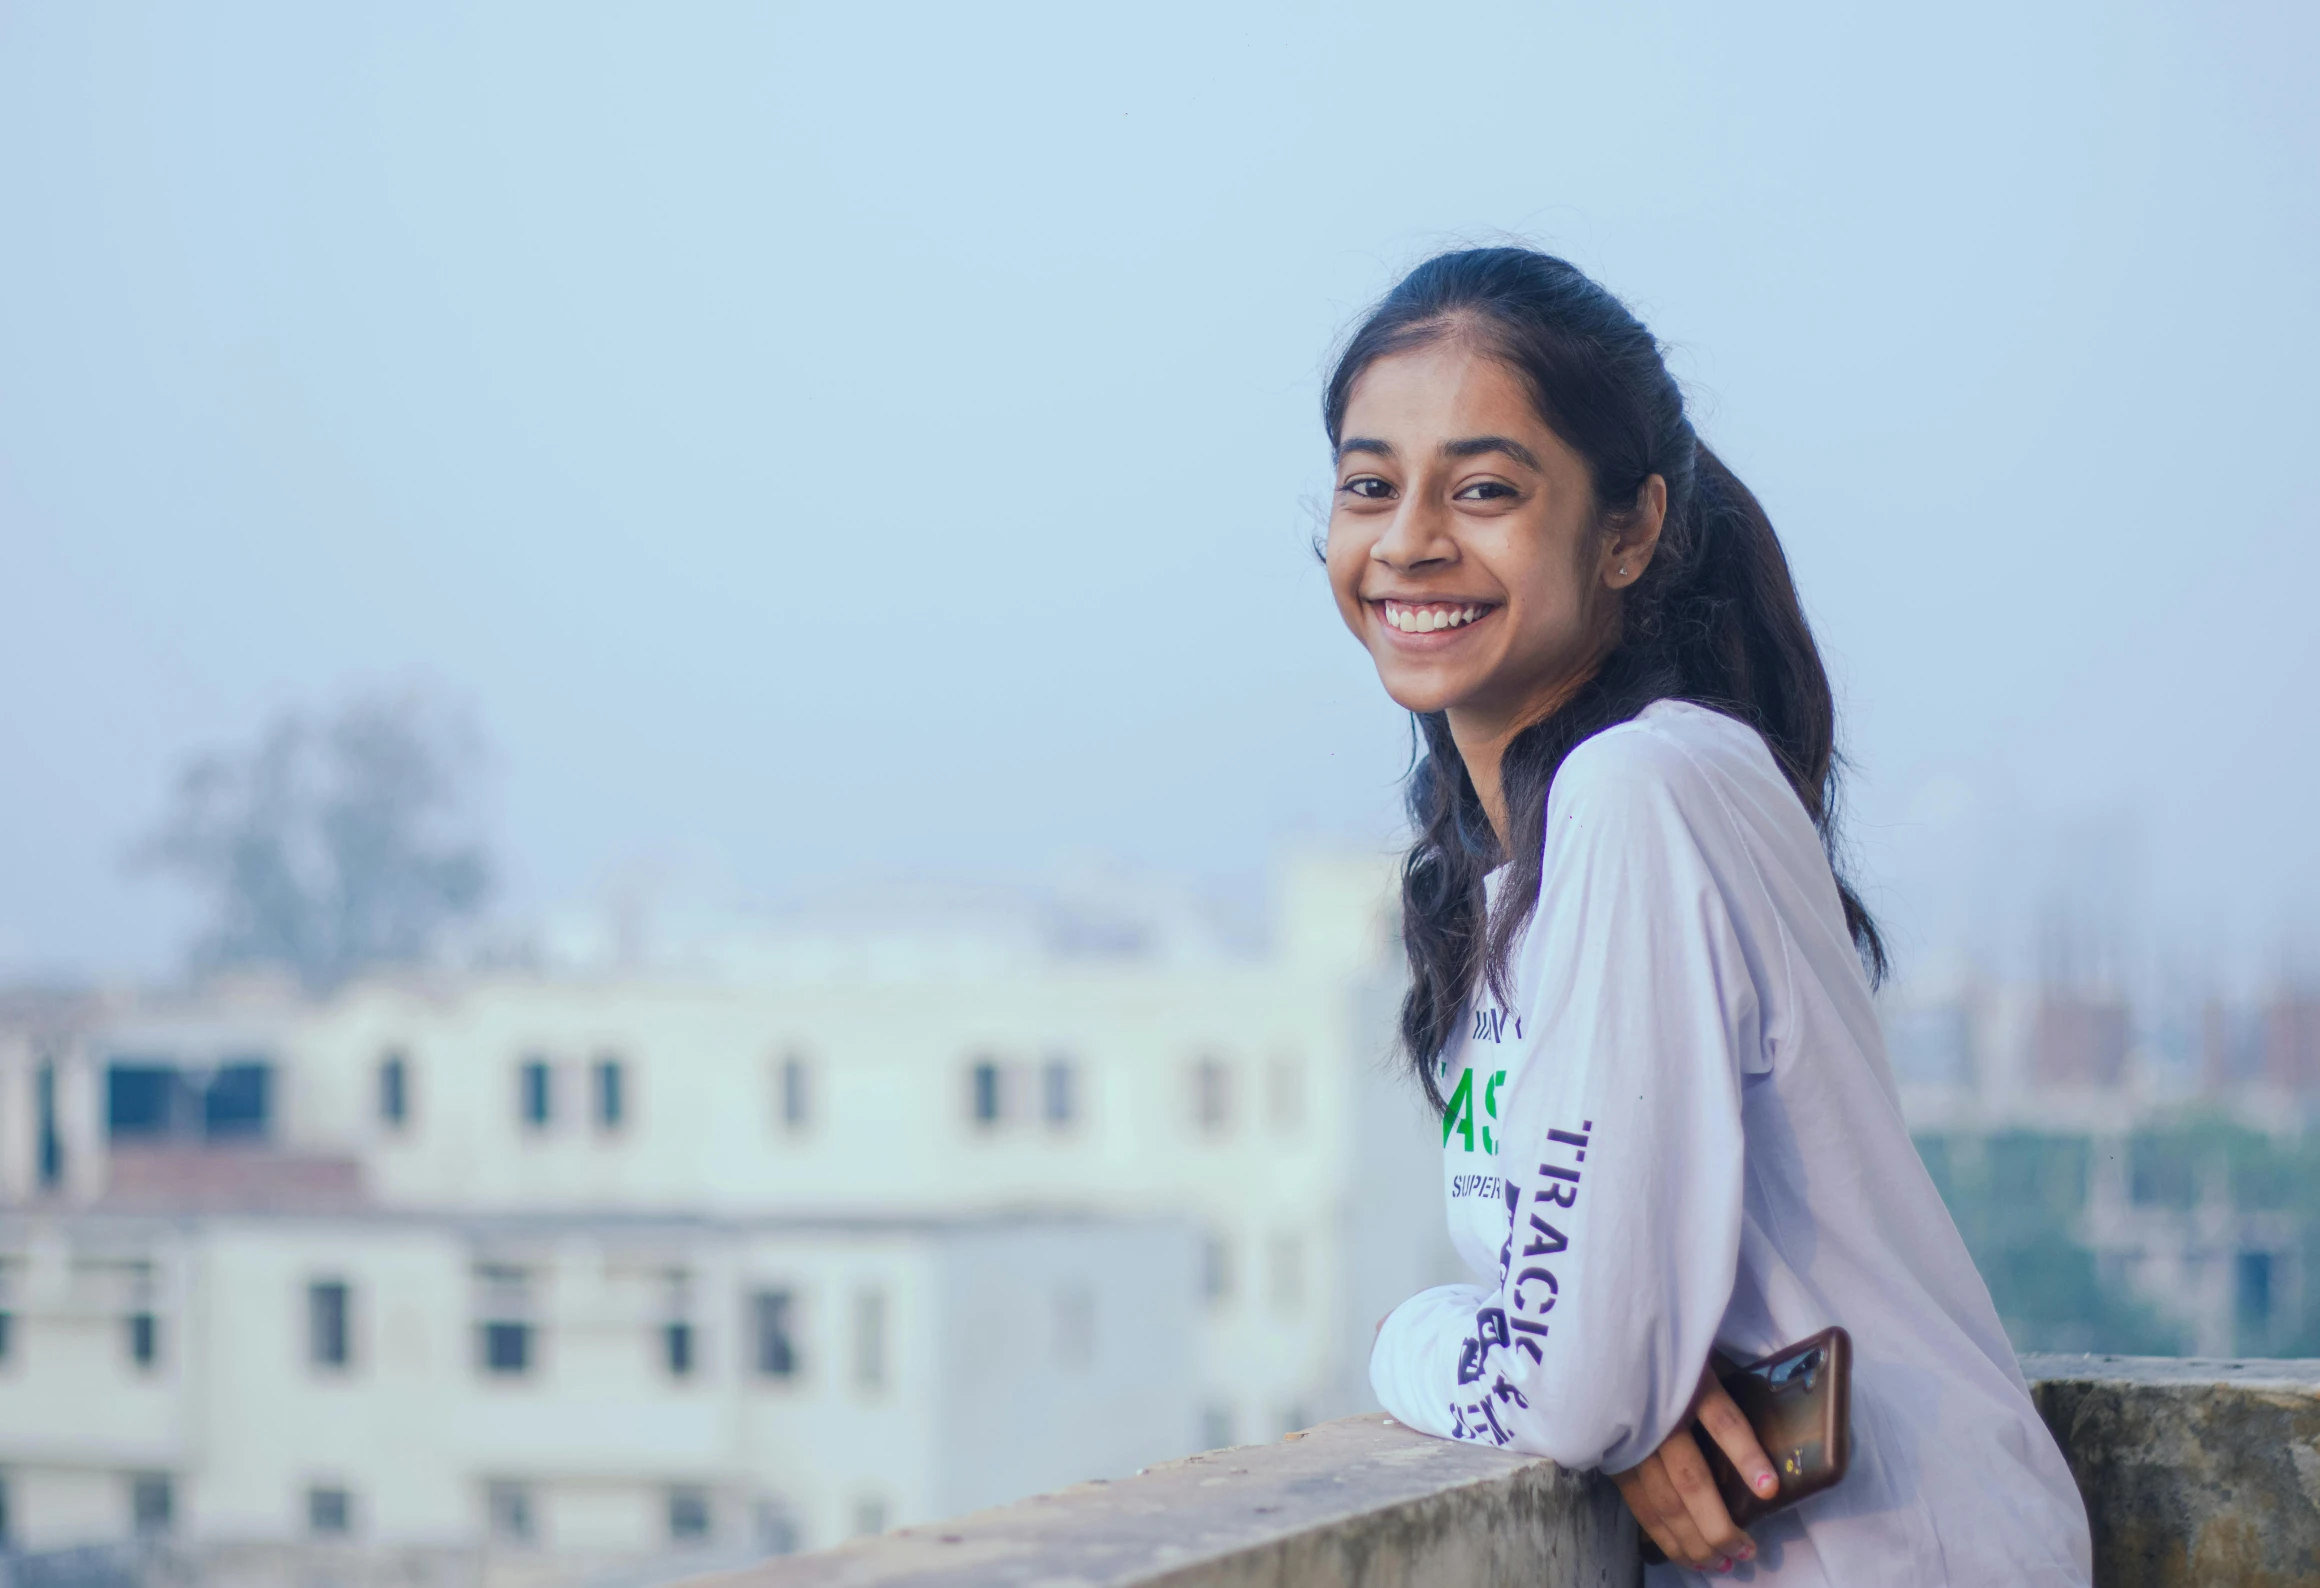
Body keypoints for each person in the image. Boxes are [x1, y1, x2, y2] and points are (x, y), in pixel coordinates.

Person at [1337, 248, 2092, 1584]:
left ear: (1630, 530)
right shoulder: (1517, 868)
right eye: (1369, 485)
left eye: (1487, 488)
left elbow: (1571, 1391)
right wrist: (1566, 1360)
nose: (1408, 540)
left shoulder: (1640, 787)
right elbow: (1585, 1362)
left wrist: (1412, 1337)